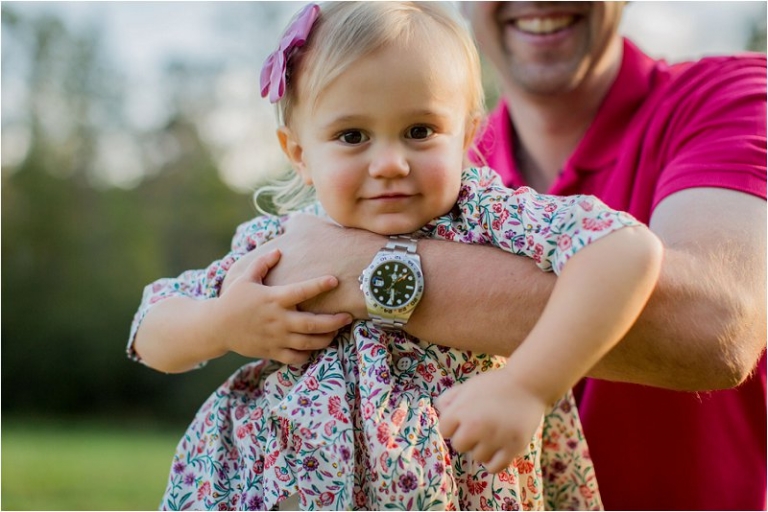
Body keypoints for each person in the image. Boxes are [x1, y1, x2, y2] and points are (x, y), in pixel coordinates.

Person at [213, 2, 766, 510]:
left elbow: (715, 327)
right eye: (353, 135)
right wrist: (221, 321)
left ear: (462, 132)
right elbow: (156, 327)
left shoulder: (728, 95)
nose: (389, 162)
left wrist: (355, 269)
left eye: (419, 131)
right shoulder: (419, 162)